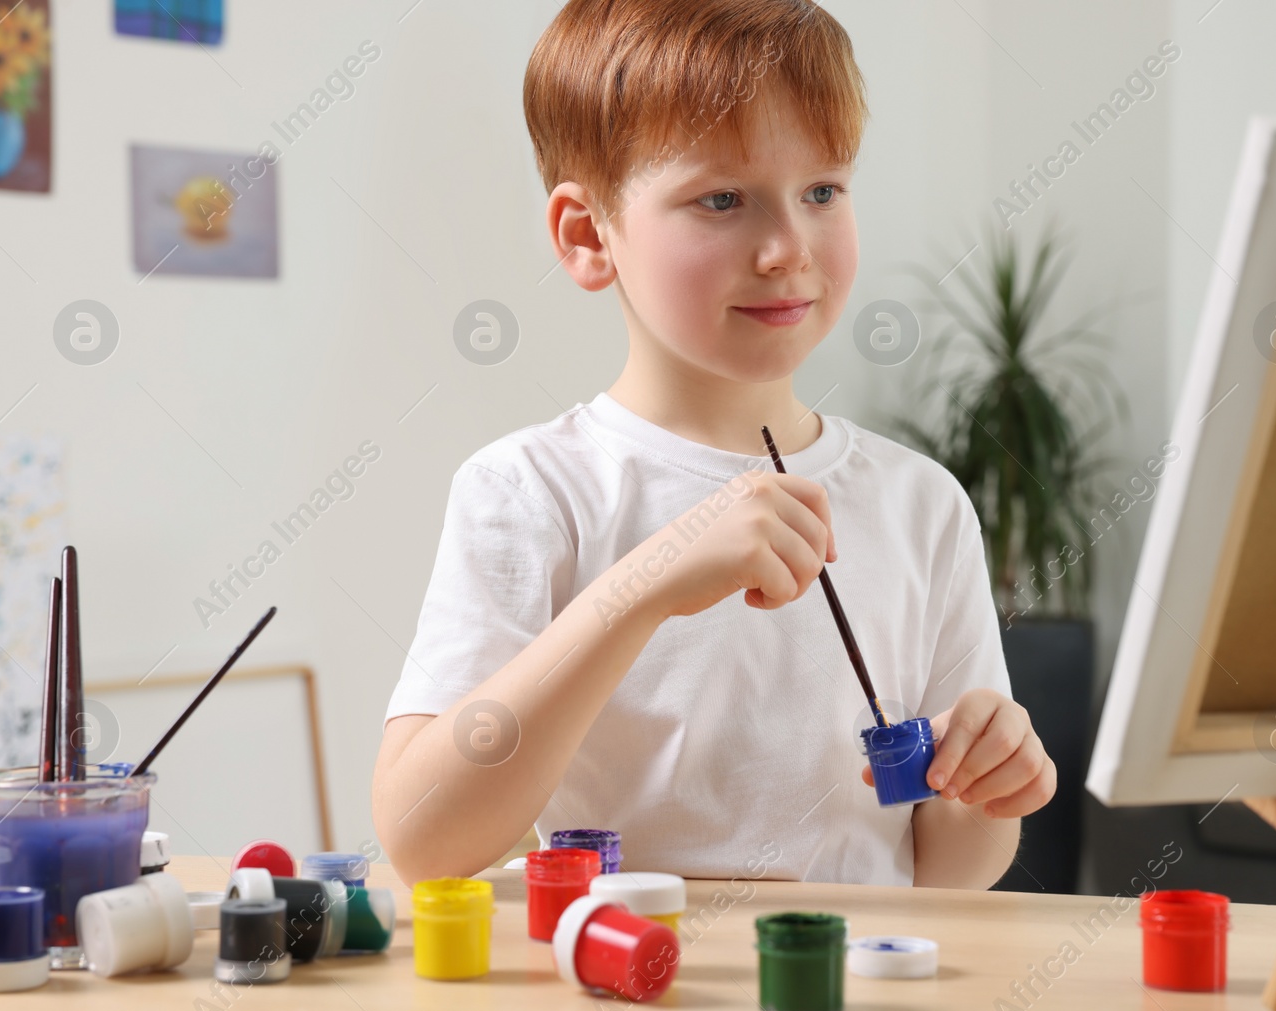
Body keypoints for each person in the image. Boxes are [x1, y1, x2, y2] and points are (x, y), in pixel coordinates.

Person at [373, 0, 1055, 888]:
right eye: (723, 199)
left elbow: (944, 873)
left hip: (855, 1007)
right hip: (617, 1001)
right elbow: (424, 840)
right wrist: (651, 582)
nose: (785, 247)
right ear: (589, 236)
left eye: (822, 191)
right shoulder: (530, 490)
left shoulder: (921, 503)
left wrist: (980, 788)